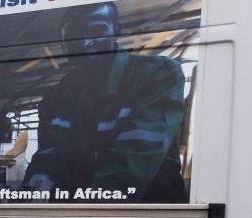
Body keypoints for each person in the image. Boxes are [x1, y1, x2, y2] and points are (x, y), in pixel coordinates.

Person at [22, 2, 187, 203]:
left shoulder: (156, 76)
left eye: (97, 30)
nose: (85, 43)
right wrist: (35, 196)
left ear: (116, 32)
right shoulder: (57, 98)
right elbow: (48, 158)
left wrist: (81, 217)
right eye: (74, 35)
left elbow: (132, 163)